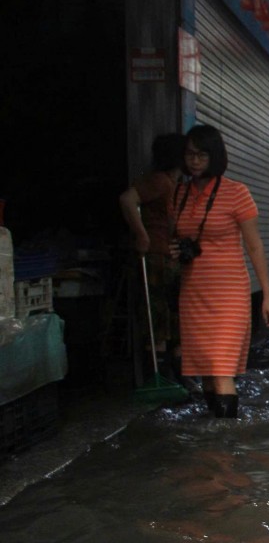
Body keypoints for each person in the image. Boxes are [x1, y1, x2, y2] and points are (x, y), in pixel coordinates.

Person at [171, 124, 269, 417]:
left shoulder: (236, 193)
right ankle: (214, 435)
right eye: (190, 154)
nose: (194, 161)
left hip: (230, 292)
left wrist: (267, 295)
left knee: (220, 367)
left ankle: (226, 443)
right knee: (205, 367)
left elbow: (255, 247)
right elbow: (179, 239)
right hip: (194, 289)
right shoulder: (179, 194)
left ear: (215, 156)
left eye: (202, 155)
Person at [119, 132, 186, 373]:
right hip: (155, 257)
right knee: (157, 316)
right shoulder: (159, 181)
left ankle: (176, 372)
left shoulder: (173, 184)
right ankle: (159, 373)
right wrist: (142, 235)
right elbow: (127, 200)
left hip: (169, 258)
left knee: (173, 316)